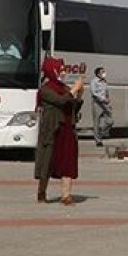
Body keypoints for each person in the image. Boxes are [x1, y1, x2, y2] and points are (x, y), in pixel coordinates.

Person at [34, 57, 83, 205]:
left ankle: (66, 196)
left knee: (68, 162)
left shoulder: (65, 88)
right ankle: (42, 192)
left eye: (63, 70)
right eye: (60, 70)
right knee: (48, 163)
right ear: (52, 71)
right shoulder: (45, 90)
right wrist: (74, 89)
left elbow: (73, 106)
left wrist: (79, 94)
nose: (63, 72)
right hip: (52, 131)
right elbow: (60, 101)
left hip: (67, 130)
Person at [90, 66, 114, 148]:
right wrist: (103, 99)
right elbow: (94, 93)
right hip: (97, 103)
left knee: (110, 121)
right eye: (102, 72)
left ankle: (100, 132)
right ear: (97, 74)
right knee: (96, 122)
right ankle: (98, 141)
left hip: (105, 104)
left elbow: (106, 92)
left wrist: (108, 101)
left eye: (104, 72)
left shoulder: (105, 82)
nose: (104, 73)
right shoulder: (94, 82)